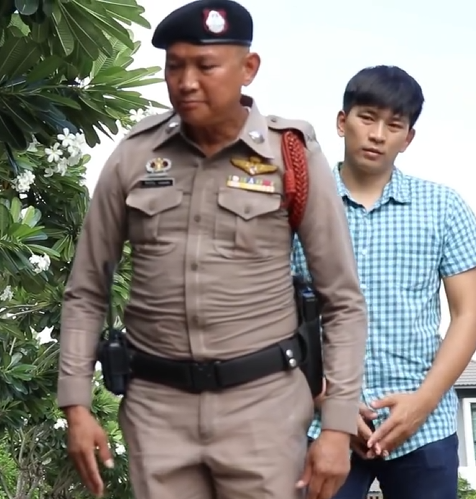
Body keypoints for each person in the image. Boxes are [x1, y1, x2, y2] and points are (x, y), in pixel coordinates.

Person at [57, 1, 368, 498]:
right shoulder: (135, 154)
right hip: (157, 412)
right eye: (174, 66)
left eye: (205, 66)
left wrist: (336, 425)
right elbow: (87, 290)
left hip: (263, 410)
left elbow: (343, 301)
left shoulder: (290, 154)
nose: (186, 82)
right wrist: (76, 404)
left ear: (248, 68)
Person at [292, 64, 476, 499]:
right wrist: (326, 400)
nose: (377, 135)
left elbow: (468, 312)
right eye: (367, 118)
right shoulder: (298, 206)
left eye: (394, 125)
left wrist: (422, 404)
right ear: (342, 122)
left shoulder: (443, 207)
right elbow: (268, 313)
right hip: (319, 424)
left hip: (423, 426)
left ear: (408, 138)